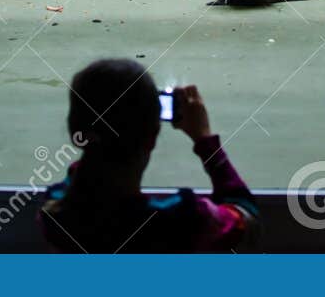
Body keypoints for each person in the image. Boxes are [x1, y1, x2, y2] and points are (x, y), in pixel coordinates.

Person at [38, 59, 258, 252]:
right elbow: (246, 216)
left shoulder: (54, 211)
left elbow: (86, 168)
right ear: (152, 137)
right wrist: (205, 141)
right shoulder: (183, 220)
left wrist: (100, 132)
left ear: (73, 129)